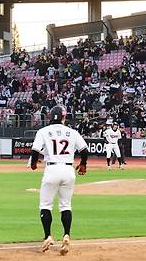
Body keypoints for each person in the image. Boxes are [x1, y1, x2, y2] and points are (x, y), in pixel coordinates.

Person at [29, 105, 89, 256]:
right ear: (63, 117)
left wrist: (34, 164)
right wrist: (82, 164)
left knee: (45, 205)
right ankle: (66, 235)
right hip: (68, 170)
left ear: (50, 116)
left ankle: (47, 236)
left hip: (52, 169)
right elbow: (84, 150)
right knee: (65, 205)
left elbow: (35, 151)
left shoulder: (43, 131)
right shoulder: (72, 132)